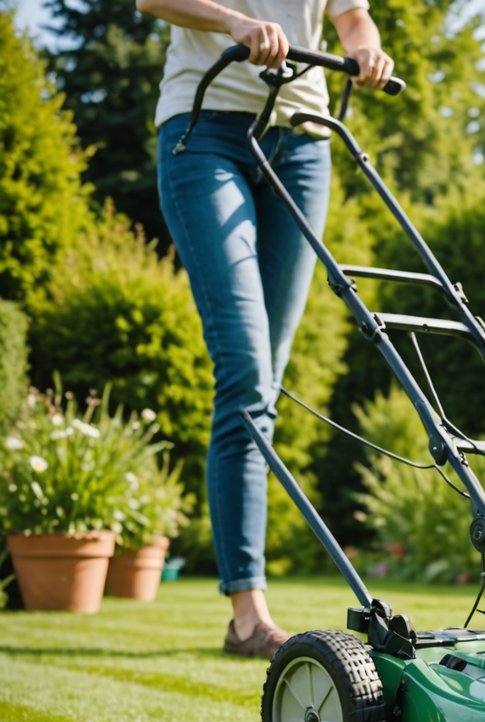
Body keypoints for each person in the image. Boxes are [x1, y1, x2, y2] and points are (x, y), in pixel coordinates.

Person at [138, 0, 394, 657]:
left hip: (304, 140)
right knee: (247, 374)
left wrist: (367, 47)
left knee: (267, 385)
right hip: (204, 130)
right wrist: (233, 22)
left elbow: (351, 15)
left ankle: (245, 609)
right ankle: (248, 614)